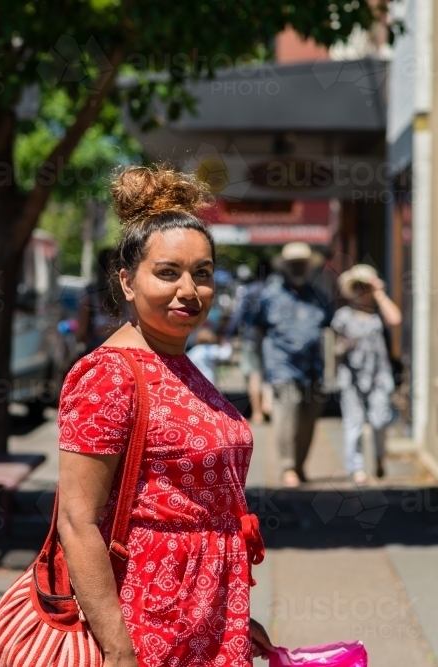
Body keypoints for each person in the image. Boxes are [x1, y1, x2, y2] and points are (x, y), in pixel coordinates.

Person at [57, 165, 273, 667]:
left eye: (202, 273)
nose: (189, 290)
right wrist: (117, 649)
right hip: (148, 618)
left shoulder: (178, 363)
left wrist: (236, 615)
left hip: (209, 609)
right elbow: (77, 520)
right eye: (168, 272)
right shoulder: (109, 374)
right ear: (128, 281)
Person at [251, 242, 333, 488]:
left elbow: (330, 330)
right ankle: (288, 468)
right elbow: (256, 332)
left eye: (302, 265)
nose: (298, 269)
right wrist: (261, 374)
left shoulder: (319, 297)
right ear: (286, 268)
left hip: (314, 369)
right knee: (286, 418)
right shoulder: (270, 296)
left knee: (308, 421)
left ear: (308, 267)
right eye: (294, 265)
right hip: (282, 367)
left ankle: (299, 465)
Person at [332, 264, 402, 484]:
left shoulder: (378, 315)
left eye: (366, 287)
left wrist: (379, 293)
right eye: (358, 287)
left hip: (379, 376)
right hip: (352, 377)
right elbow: (334, 347)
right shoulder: (343, 316)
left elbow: (396, 319)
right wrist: (344, 347)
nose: (362, 291)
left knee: (379, 421)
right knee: (353, 424)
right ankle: (357, 468)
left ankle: (380, 457)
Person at [224, 263, 269, 424]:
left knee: (253, 375)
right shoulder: (273, 290)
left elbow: (238, 314)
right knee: (266, 372)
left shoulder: (249, 291)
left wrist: (228, 334)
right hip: (269, 337)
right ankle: (267, 404)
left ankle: (258, 413)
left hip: (250, 336)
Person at [77, 247, 122, 353]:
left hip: (98, 348)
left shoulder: (90, 293)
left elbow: (81, 333)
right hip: (125, 348)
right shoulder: (129, 293)